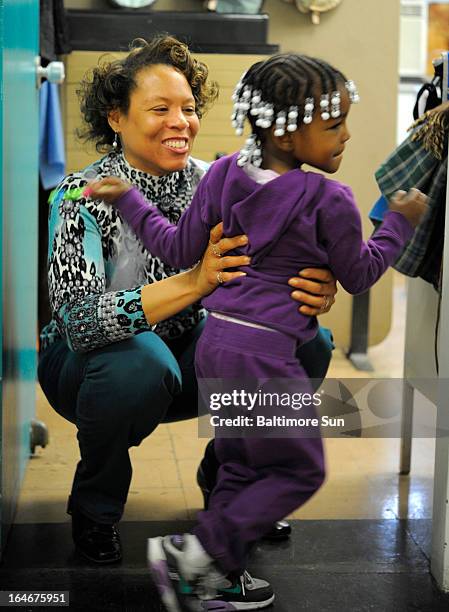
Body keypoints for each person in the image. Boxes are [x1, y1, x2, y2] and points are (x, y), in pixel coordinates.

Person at [87, 51, 428, 612]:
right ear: (290, 135)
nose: (345, 135)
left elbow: (175, 248)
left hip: (218, 343)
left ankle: (216, 579)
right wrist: (398, 223)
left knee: (243, 464)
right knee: (300, 468)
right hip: (266, 356)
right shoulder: (330, 199)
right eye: (333, 123)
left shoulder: (221, 173)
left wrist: (128, 199)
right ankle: (197, 552)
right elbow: (362, 272)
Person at [38, 36, 337, 608]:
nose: (182, 122)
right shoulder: (80, 194)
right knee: (140, 362)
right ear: (116, 117)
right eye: (160, 109)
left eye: (189, 108)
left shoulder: (220, 181)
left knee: (308, 343)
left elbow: (274, 273)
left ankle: (233, 486)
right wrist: (193, 283)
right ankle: (96, 506)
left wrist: (312, 290)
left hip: (192, 354)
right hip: (92, 367)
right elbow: (79, 322)